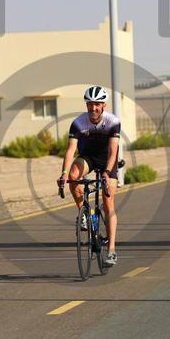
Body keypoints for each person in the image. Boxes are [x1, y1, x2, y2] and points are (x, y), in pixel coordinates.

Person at [59, 85, 120, 266]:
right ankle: (84, 213)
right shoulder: (78, 122)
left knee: (108, 202)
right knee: (73, 176)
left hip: (107, 161)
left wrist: (107, 173)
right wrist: (64, 174)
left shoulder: (112, 121)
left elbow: (113, 151)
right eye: (90, 104)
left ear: (103, 105)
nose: (93, 108)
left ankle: (111, 250)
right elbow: (70, 150)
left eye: (97, 104)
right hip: (88, 158)